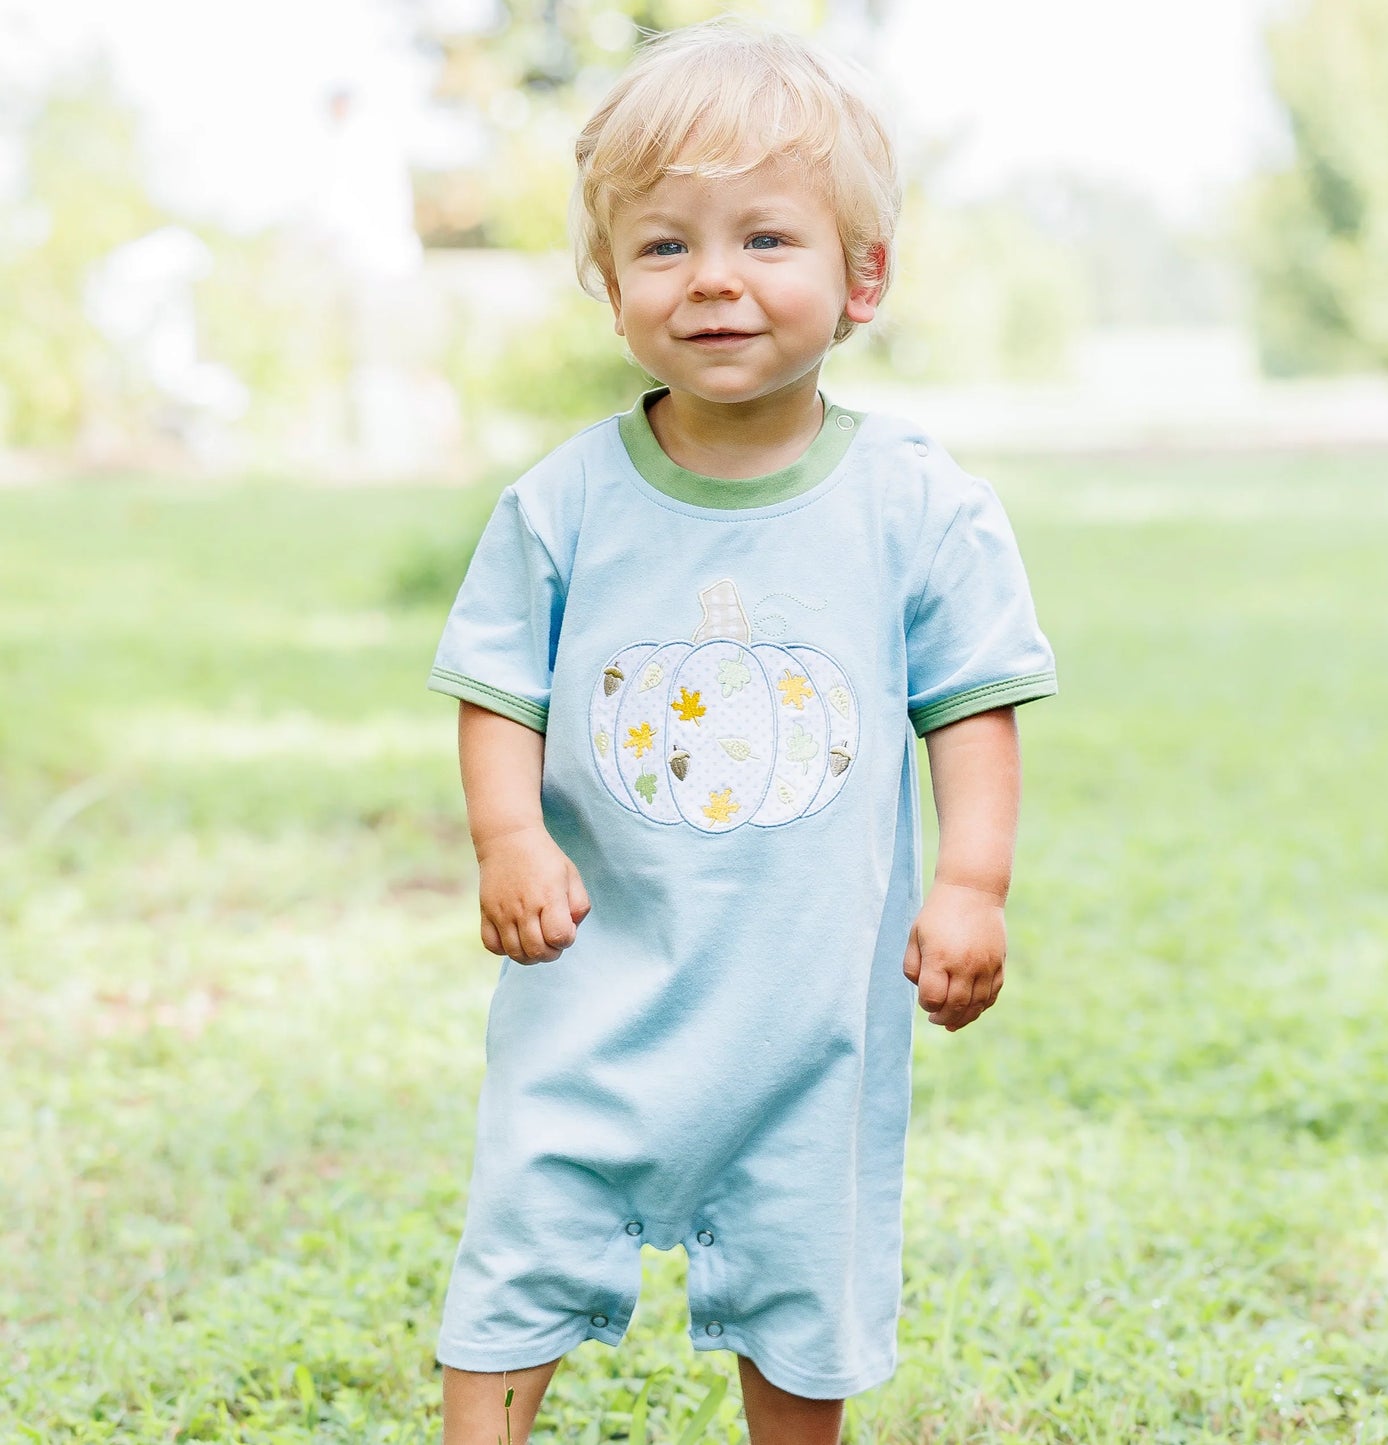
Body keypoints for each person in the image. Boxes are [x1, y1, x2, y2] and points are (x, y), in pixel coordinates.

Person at [427, 19, 1056, 1445]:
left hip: (806, 1010)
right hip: (593, 991)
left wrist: (971, 881)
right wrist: (508, 834)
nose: (711, 278)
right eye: (662, 247)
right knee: (522, 1224)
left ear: (861, 279)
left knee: (797, 1271)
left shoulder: (917, 503)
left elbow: (971, 701)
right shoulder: (563, 500)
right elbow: (494, 684)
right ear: (612, 287)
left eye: (764, 238)